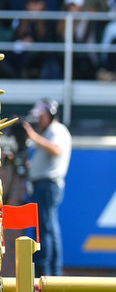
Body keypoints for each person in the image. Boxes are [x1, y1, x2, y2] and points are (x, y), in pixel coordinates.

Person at [23, 98, 72, 277]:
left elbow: (56, 150)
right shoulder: (50, 131)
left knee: (46, 228)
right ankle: (50, 271)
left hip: (48, 185)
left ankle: (47, 272)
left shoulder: (57, 130)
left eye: (41, 116)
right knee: (46, 227)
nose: (38, 120)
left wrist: (33, 136)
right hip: (42, 184)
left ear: (50, 114)